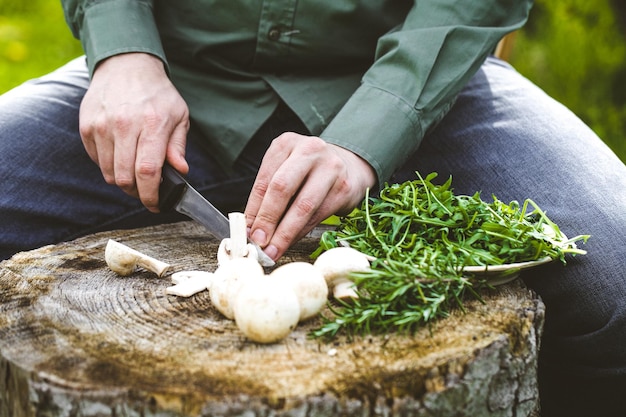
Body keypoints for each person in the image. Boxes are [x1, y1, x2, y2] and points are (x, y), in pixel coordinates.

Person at [1, 1, 624, 415]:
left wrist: (373, 131)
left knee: (615, 273)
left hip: (419, 88)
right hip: (170, 81)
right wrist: (120, 50)